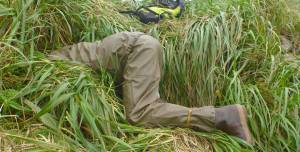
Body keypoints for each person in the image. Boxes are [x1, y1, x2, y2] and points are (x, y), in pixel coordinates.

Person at [48, 31, 252, 144]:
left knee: (139, 113)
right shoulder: (72, 53)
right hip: (139, 47)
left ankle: (223, 116)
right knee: (146, 107)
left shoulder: (50, 63)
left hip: (137, 49)